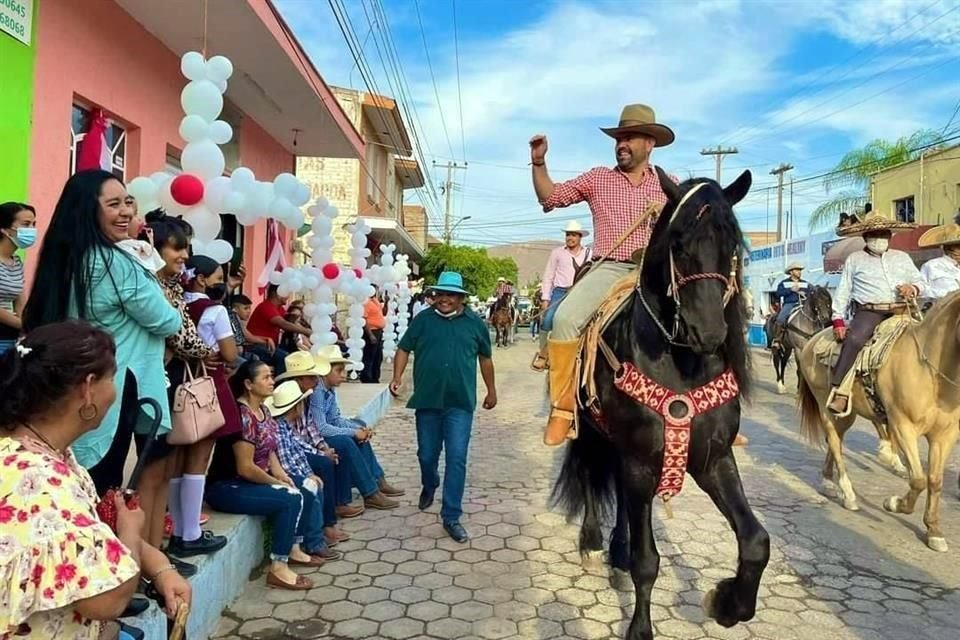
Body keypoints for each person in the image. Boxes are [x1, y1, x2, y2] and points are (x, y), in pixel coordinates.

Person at [0, 321, 191, 639]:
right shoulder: (43, 484)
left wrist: (159, 566)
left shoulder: (38, 450)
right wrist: (130, 532)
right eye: (113, 378)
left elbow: (82, 541)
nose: (115, 392)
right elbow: (106, 601)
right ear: (88, 388)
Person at [21, 170, 182, 493]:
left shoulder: (64, 258)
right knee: (103, 490)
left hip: (62, 387)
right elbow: (168, 321)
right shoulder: (116, 264)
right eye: (113, 204)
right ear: (87, 210)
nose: (126, 212)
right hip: (109, 393)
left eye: (127, 202)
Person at [529, 104, 676, 445]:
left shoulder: (669, 184)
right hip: (610, 267)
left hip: (656, 271)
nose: (621, 144)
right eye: (619, 138)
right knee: (563, 319)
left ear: (649, 144)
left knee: (707, 315)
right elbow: (551, 195)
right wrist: (538, 164)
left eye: (629, 138)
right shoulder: (599, 178)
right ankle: (563, 408)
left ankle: (718, 415)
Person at [391, 271, 497, 543]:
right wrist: (397, 376)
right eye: (440, 294)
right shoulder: (422, 320)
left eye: (451, 295)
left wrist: (491, 390)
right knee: (427, 454)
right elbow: (403, 348)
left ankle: (451, 516)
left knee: (457, 457)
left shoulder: (475, 323)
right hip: (427, 400)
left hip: (460, 403)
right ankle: (429, 483)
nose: (444, 299)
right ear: (434, 296)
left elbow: (485, 358)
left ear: (461, 298)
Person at [204, 360, 317, 591]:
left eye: (271, 376)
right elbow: (245, 467)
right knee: (290, 497)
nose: (272, 381)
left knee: (307, 485)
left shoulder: (264, 410)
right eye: (265, 377)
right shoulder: (242, 415)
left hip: (255, 479)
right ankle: (278, 567)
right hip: (228, 486)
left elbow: (270, 450)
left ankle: (294, 547)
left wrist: (282, 474)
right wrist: (278, 483)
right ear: (248, 384)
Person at [165, 255, 242, 560]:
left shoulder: (176, 303)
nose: (221, 282)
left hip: (176, 383)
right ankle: (190, 533)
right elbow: (230, 351)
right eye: (218, 276)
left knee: (176, 461)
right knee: (198, 461)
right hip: (207, 386)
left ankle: (175, 527)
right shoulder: (215, 310)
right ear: (202, 278)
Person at [828, 212, 925, 414]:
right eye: (874, 234)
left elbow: (920, 281)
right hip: (870, 312)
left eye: (883, 234)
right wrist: (838, 320)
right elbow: (844, 289)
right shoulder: (855, 259)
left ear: (890, 236)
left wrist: (912, 288)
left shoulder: (902, 257)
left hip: (902, 310)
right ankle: (841, 391)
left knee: (929, 338)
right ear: (865, 237)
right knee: (854, 340)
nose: (879, 238)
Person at [285, 349, 403, 513]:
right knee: (345, 442)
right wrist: (352, 434)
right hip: (308, 443)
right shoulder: (317, 391)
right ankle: (370, 492)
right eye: (338, 370)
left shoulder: (327, 389)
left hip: (316, 437)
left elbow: (335, 419)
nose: (343, 375)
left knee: (357, 426)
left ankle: (377, 479)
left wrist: (357, 429)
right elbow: (321, 428)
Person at [271, 379, 351, 549]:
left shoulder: (291, 417)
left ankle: (335, 511)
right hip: (286, 469)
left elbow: (301, 443)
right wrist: (309, 473)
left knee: (335, 456)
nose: (315, 380)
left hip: (305, 451)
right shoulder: (280, 425)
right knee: (317, 477)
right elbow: (289, 458)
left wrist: (323, 449)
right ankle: (317, 537)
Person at [531, 220, 591, 370]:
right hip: (560, 291)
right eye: (568, 235)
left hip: (581, 291)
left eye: (573, 235)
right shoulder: (557, 253)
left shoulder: (589, 253)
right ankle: (544, 355)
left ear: (579, 237)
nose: (570, 238)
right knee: (549, 319)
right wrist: (545, 298)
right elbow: (549, 275)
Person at [246, 284, 310, 375]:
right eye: (285, 292)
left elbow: (289, 321)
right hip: (257, 345)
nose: (288, 295)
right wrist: (306, 331)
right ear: (276, 293)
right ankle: (280, 385)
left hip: (270, 346)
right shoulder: (266, 306)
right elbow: (283, 324)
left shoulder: (279, 308)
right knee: (284, 357)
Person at [0, 202, 36, 355]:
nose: (32, 230)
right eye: (26, 224)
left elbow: (20, 301)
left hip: (11, 337)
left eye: (34, 224)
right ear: (5, 229)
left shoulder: (16, 262)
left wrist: (26, 325)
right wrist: (22, 324)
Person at [918, 215, 960, 302]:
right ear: (947, 248)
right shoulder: (931, 266)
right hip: (942, 310)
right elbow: (922, 291)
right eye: (957, 246)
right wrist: (946, 296)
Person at [770, 262, 809, 347]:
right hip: (789, 304)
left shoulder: (805, 283)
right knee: (780, 318)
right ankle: (777, 340)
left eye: (800, 270)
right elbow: (778, 293)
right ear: (791, 272)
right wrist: (791, 290)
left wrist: (804, 293)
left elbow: (810, 293)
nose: (799, 272)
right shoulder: (784, 283)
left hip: (803, 304)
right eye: (797, 270)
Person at [361, 290, 386, 383]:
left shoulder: (376, 301)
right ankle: (367, 377)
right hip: (372, 331)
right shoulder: (367, 303)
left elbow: (384, 312)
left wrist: (386, 302)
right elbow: (364, 320)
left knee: (378, 356)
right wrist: (370, 335)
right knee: (369, 355)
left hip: (379, 331)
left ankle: (375, 376)